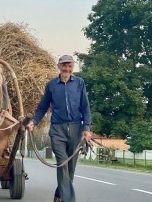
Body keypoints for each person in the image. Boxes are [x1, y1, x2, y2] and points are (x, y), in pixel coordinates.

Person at [26, 55, 92, 202]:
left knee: (71, 167)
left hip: (76, 128)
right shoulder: (51, 85)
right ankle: (68, 200)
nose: (67, 69)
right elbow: (43, 107)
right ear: (59, 66)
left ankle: (59, 194)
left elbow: (85, 107)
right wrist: (34, 122)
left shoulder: (79, 83)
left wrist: (86, 128)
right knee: (62, 163)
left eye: (69, 66)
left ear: (73, 67)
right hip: (57, 130)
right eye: (64, 65)